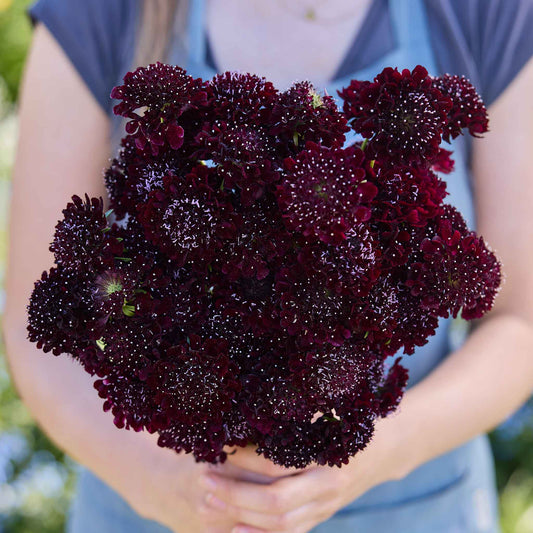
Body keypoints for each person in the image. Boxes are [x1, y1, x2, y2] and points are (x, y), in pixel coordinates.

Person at [4, 0, 533, 531]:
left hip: (413, 504)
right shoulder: (102, 12)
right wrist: (163, 480)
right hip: (156, 506)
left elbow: (520, 324)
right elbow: (42, 322)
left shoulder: (486, 12)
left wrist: (378, 448)